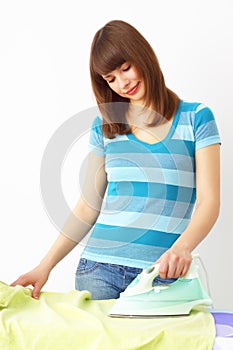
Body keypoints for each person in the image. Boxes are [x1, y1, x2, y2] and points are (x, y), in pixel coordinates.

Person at [11, 20, 221, 300]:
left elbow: (209, 200)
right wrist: (45, 266)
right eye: (111, 78)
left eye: (126, 68)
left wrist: (183, 248)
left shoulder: (196, 118)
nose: (123, 83)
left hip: (162, 276)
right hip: (98, 271)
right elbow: (87, 205)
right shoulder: (105, 126)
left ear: (143, 57)